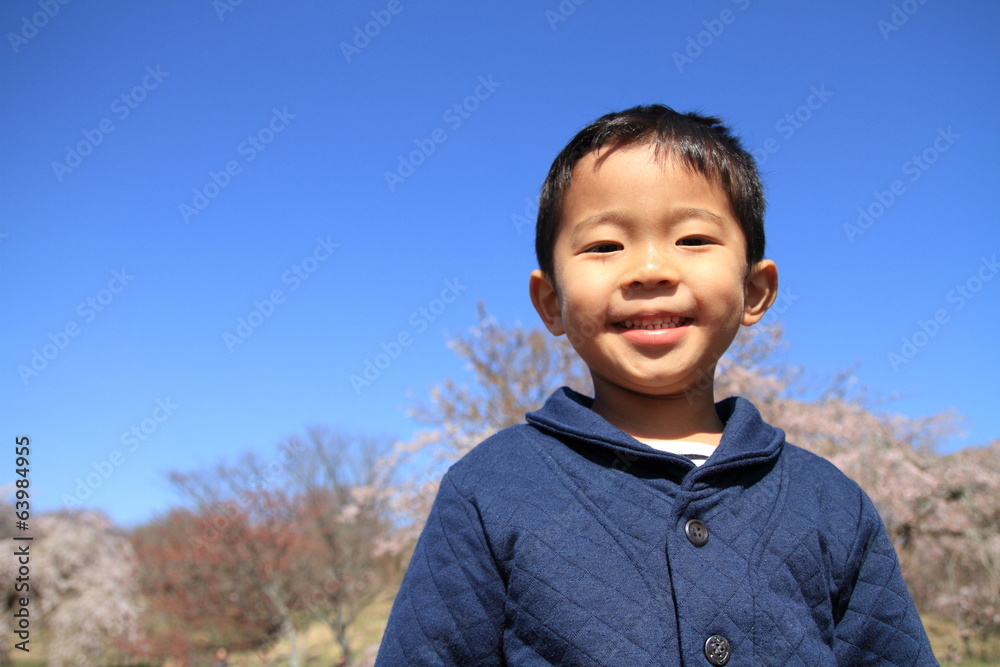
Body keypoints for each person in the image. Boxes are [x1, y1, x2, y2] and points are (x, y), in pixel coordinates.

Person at [376, 105, 937, 665]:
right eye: (604, 246)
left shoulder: (830, 502)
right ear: (552, 302)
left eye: (693, 238)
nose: (649, 269)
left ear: (755, 290)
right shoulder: (489, 490)